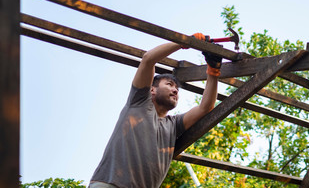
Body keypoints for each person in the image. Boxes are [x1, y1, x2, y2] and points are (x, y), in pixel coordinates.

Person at [89, 34, 222, 188]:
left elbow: (205, 107)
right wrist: (186, 42)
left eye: (177, 88)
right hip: (111, 185)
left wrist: (213, 71)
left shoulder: (173, 125)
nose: (175, 90)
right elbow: (148, 59)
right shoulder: (138, 101)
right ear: (152, 90)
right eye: (169, 84)